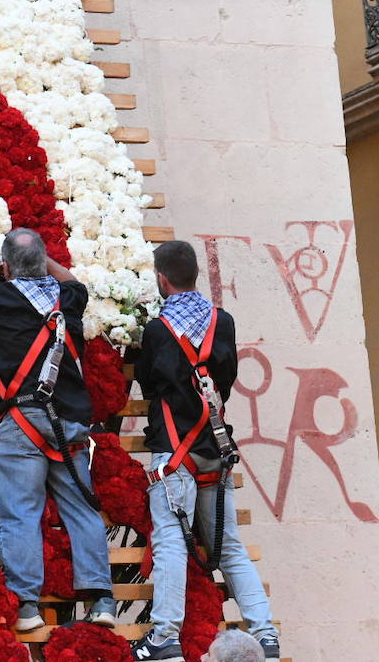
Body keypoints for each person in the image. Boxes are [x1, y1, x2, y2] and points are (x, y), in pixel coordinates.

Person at [0, 228, 115, 632]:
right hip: (69, 423)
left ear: (7, 268)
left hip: (21, 424)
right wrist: (40, 259)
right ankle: (102, 600)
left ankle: (28, 607)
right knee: (82, 511)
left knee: (20, 516)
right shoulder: (67, 300)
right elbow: (74, 283)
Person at [129, 241, 280, 662]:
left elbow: (148, 381)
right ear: (195, 274)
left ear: (161, 279)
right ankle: (265, 635)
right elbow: (226, 380)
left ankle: (165, 636)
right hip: (214, 447)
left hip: (173, 452)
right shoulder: (223, 322)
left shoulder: (158, 330)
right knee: (229, 545)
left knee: (173, 543)